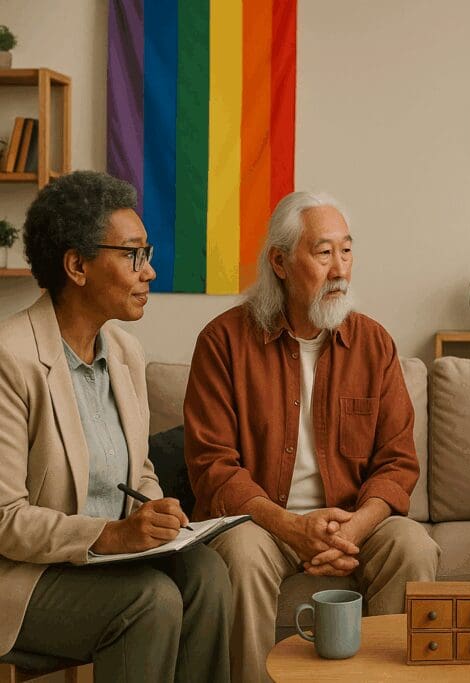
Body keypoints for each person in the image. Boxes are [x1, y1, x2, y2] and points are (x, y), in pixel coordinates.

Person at [184, 190, 439, 682]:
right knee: (240, 554)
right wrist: (290, 527)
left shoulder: (373, 343)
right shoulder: (222, 341)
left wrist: (354, 528)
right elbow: (212, 467)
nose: (341, 269)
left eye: (346, 250)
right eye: (323, 253)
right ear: (280, 262)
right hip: (260, 523)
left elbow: (398, 462)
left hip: (351, 522)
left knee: (413, 545)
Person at [0, 171, 232, 682]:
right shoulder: (10, 358)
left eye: (146, 253)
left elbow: (138, 471)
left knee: (209, 574)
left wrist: (158, 509)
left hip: (107, 564)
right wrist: (109, 535)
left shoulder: (126, 353)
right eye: (133, 255)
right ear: (77, 266)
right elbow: (6, 519)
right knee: (150, 601)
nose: (149, 271)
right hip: (27, 577)